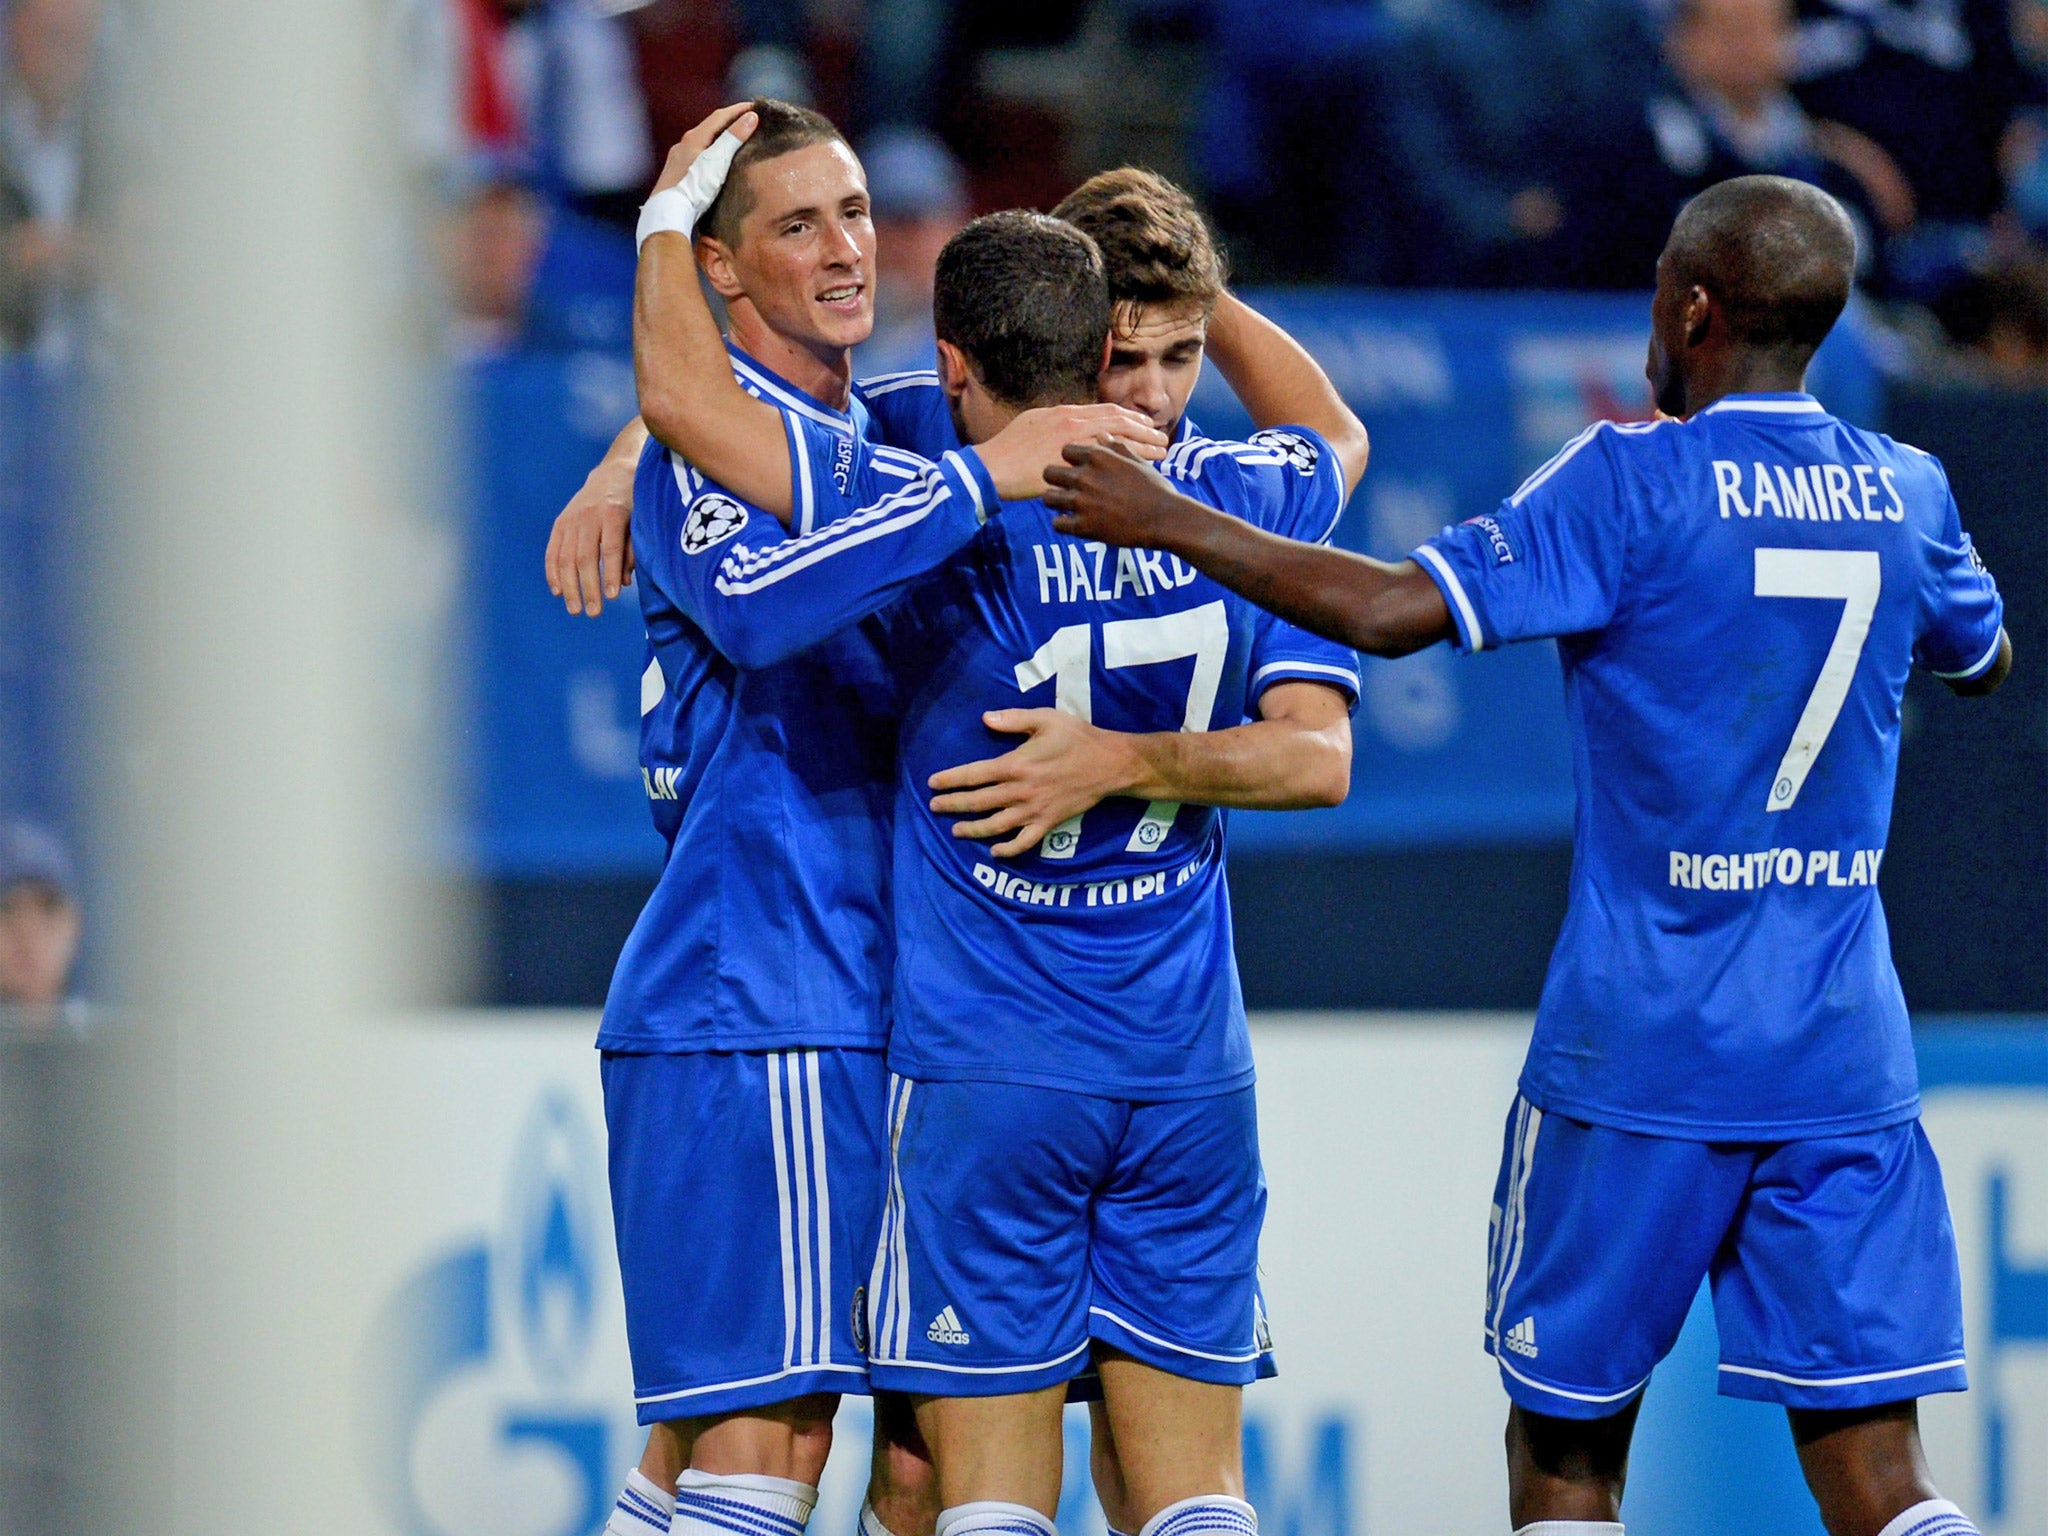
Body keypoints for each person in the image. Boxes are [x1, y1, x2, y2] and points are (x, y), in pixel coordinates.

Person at [1040, 174, 2011, 1536]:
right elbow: (1983, 653)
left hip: (1643, 1048)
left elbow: (1386, 612)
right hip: (1843, 1051)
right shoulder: (1909, 490)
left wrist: (1175, 522)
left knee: (1567, 1460)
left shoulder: (1630, 477)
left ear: (1694, 306)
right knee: (1882, 1472)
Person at [633, 101, 1369, 1536]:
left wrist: (663, 247)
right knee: (1186, 1492)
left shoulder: (924, 492)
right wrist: (1199, 295)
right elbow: (1332, 436)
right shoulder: (1239, 497)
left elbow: (713, 427)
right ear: (1105, 351)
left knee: (921, 1483)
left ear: (955, 361)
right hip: (1186, 1067)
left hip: (987, 1068)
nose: (1155, 386)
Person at [587, 99, 1166, 1536]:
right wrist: (979, 477)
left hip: (904, 1012)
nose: (849, 248)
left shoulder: (889, 422)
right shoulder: (722, 457)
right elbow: (767, 604)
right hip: (763, 997)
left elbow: (1042, 398)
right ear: (724, 270)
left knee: (905, 1456)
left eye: (854, 211)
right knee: (759, 1448)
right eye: (799, 223)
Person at [0, 819, 82, 1031]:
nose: (29, 933)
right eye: (7, 909)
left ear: (74, 925)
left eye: (49, 909)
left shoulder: (118, 1051)